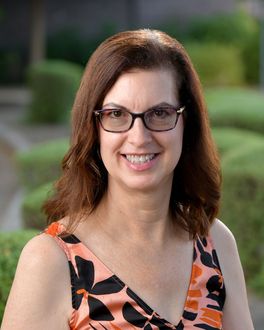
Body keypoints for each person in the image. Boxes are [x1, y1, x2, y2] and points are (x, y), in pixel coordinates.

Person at [1, 29, 253, 329]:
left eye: (160, 112)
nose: (139, 137)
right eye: (116, 114)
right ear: (93, 128)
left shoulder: (215, 243)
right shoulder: (50, 261)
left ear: (187, 122)